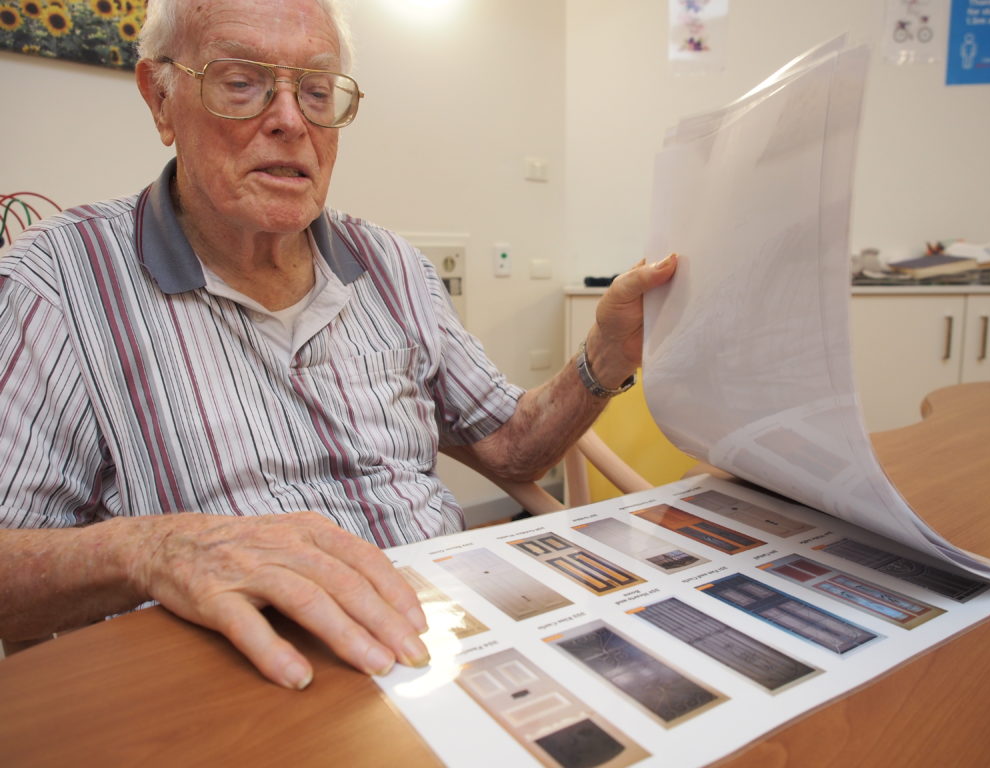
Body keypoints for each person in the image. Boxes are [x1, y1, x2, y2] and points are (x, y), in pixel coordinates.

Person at [0, 0, 676, 690]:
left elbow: (513, 448)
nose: (291, 120)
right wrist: (156, 549)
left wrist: (606, 353)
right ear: (161, 98)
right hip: (244, 688)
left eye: (317, 92)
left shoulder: (391, 267)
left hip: (447, 647)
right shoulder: (59, 282)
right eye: (241, 83)